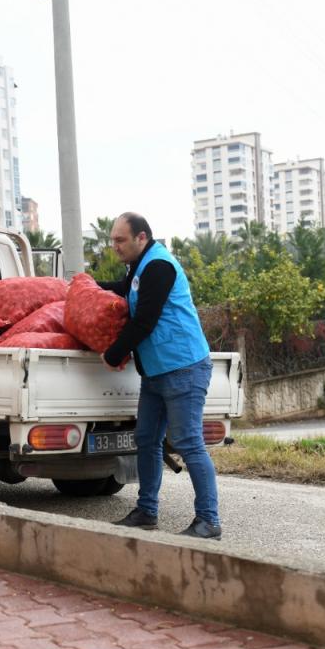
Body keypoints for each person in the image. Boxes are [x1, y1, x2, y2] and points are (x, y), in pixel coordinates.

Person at [98, 212, 222, 539]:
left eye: (120, 240)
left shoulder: (159, 266)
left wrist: (113, 354)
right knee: (146, 440)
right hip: (156, 371)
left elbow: (145, 321)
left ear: (141, 237)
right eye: (112, 240)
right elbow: (124, 290)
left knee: (188, 442)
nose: (115, 246)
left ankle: (208, 521)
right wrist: (84, 287)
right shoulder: (139, 268)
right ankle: (146, 511)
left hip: (183, 367)